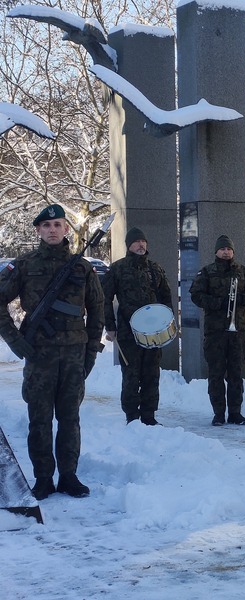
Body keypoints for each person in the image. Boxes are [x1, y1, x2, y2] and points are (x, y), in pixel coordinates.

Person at [0, 204, 104, 499]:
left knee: (70, 419)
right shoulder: (24, 265)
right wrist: (16, 342)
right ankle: (43, 478)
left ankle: (69, 476)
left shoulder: (82, 268)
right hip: (39, 356)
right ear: (38, 230)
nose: (53, 230)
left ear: (66, 229)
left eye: (58, 224)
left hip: (73, 355)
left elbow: (97, 310)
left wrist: (92, 350)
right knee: (40, 419)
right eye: (47, 226)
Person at [103, 227, 173, 426]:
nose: (141, 245)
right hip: (127, 331)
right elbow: (104, 299)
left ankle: (149, 415)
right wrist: (110, 325)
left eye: (143, 241)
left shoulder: (155, 268)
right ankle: (132, 416)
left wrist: (168, 320)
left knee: (152, 374)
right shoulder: (117, 268)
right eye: (136, 242)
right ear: (129, 245)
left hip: (154, 332)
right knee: (131, 375)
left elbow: (165, 297)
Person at [189, 235, 245, 426]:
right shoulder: (206, 272)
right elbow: (195, 295)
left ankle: (235, 413)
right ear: (216, 252)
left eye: (229, 249)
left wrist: (244, 298)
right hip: (216, 331)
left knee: (236, 374)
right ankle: (218, 413)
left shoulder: (243, 272)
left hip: (238, 331)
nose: (226, 252)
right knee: (216, 374)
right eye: (223, 249)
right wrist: (216, 303)